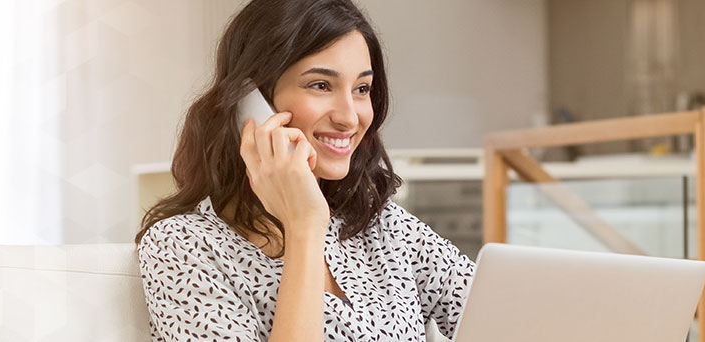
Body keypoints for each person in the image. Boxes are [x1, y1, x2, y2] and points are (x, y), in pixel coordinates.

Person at [134, 0, 475, 341]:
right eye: (321, 85)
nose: (349, 117)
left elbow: (506, 314)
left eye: (362, 89)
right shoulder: (183, 246)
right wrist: (304, 227)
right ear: (249, 100)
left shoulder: (383, 226)